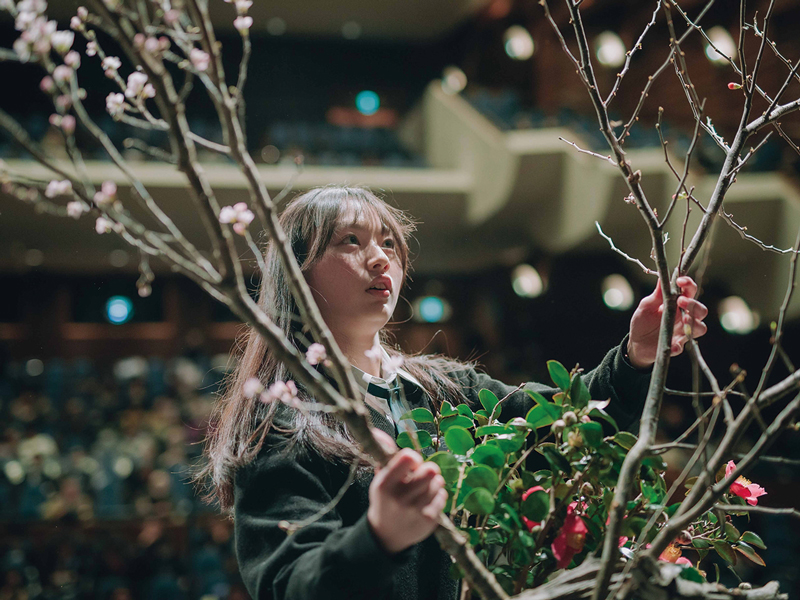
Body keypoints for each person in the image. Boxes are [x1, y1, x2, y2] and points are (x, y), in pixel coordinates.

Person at [201, 186, 708, 600]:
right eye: (350, 241)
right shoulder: (284, 420)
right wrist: (378, 537)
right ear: (296, 273)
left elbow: (563, 425)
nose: (380, 258)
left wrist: (638, 353)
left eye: (387, 242)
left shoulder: (444, 388)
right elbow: (289, 584)